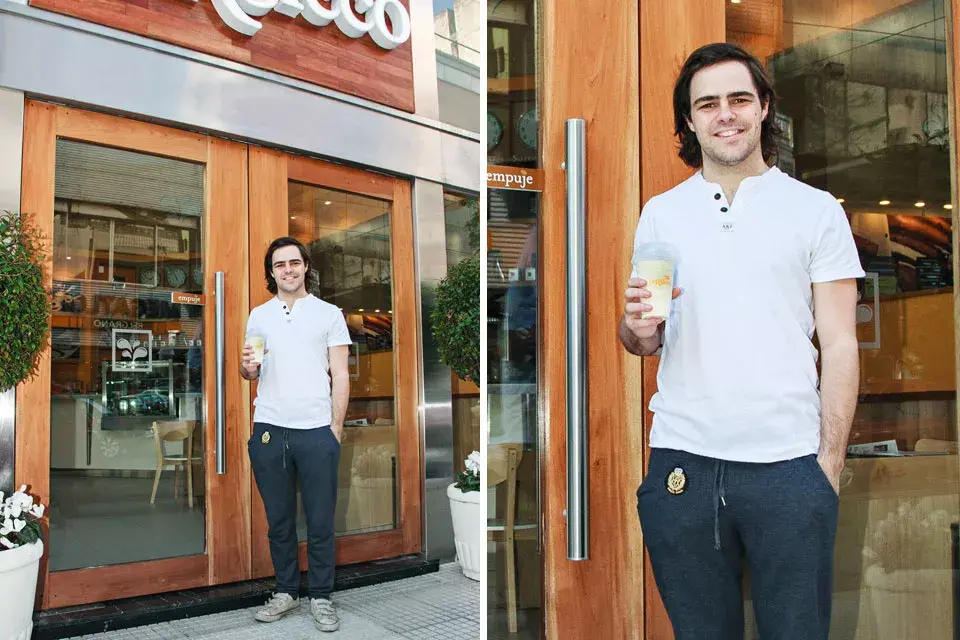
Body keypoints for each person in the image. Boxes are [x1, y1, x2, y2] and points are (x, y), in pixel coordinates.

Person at [620, 43, 863, 640]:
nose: (724, 114)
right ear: (689, 120)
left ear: (763, 109)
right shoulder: (662, 213)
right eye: (707, 104)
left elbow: (840, 343)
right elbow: (642, 338)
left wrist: (827, 463)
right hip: (683, 464)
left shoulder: (815, 212)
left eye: (738, 99)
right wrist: (639, 330)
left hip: (788, 465)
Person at [241, 236, 351, 633]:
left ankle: (321, 596)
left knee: (320, 521)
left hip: (317, 431)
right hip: (269, 428)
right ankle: (287, 590)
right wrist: (248, 369)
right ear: (271, 273)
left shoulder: (328, 314)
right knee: (280, 522)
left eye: (293, 262)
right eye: (279, 265)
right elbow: (250, 370)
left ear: (305, 266)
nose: (287, 269)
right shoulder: (259, 315)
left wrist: (335, 429)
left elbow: (340, 374)